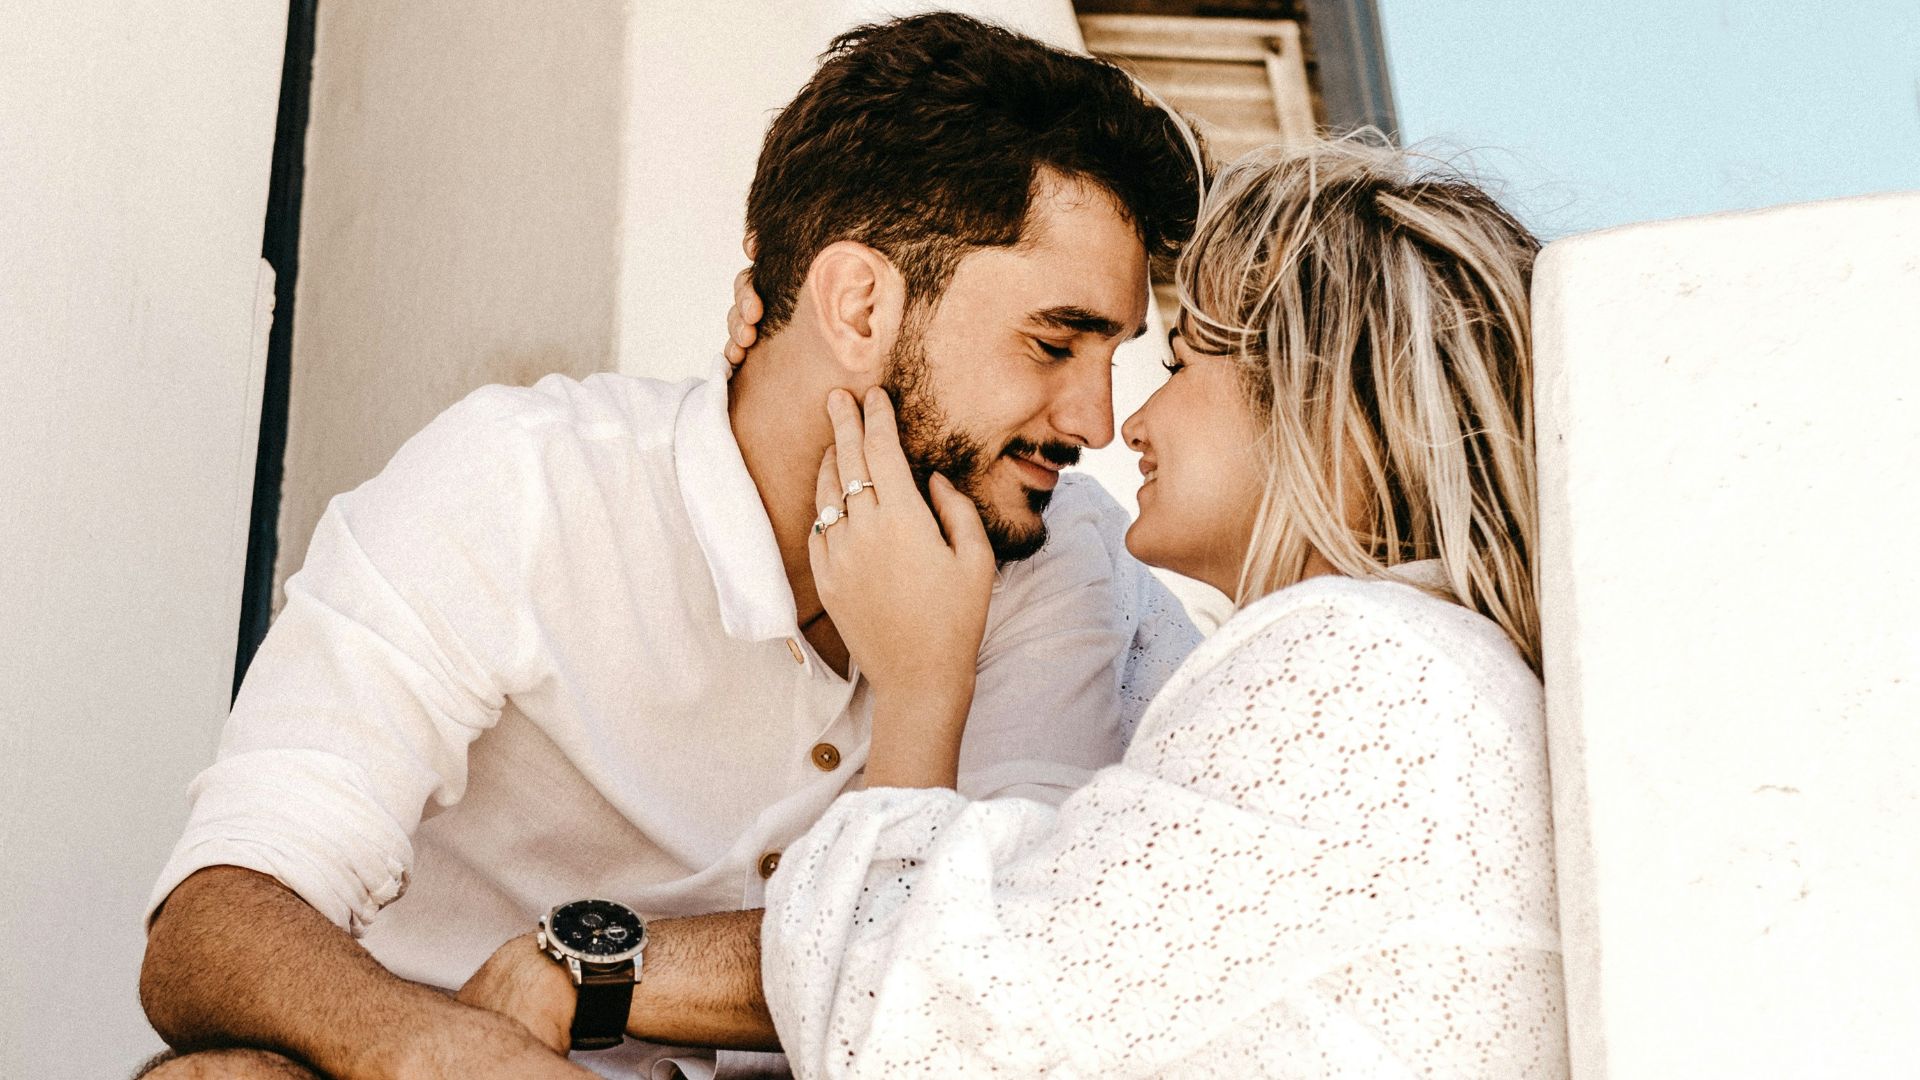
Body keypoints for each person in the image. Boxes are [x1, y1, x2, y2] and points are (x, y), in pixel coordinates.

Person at [136, 14, 1203, 1079]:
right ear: (862, 304)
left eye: (1111, 356)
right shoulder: (525, 483)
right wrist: (430, 1051)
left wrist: (591, 969)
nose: (1096, 422)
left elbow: (988, 964)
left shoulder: (1057, 560)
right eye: (1056, 343)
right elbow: (217, 914)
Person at [462, 135, 1568, 1077]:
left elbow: (925, 1035)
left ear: (1330, 405)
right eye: (1058, 346)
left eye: (1182, 363)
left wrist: (918, 686)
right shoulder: (1424, 682)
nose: (1121, 424)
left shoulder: (1357, 666)